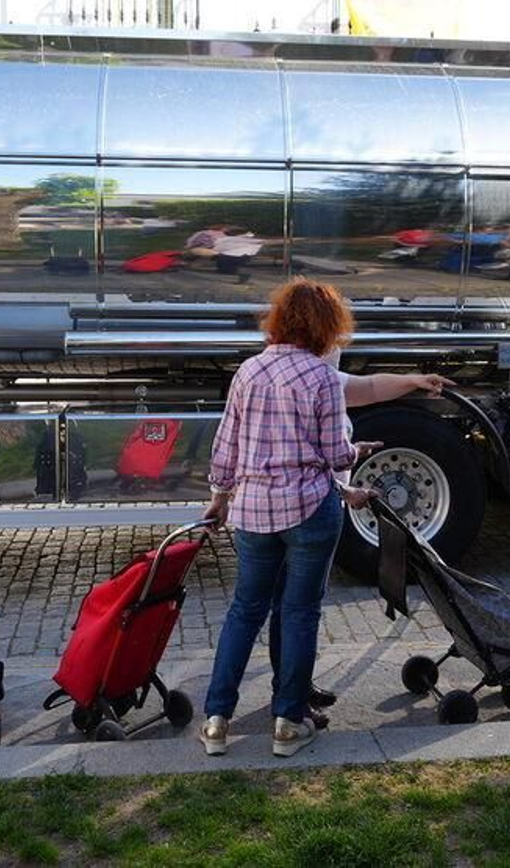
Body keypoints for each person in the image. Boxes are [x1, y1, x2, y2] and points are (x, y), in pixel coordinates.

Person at [200, 279, 363, 758]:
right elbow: (336, 456)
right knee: (298, 614)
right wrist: (357, 450)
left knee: (244, 611)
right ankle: (288, 723)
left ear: (279, 319)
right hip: (310, 510)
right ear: (328, 326)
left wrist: (219, 496)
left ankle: (216, 720)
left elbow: (226, 444)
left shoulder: (248, 371)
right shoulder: (322, 377)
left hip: (252, 511)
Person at [274, 355, 454, 727]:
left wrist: (414, 380)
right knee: (298, 609)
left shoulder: (318, 376)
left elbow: (369, 387)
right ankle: (290, 701)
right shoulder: (311, 380)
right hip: (309, 511)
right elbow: (309, 457)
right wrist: (347, 486)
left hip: (312, 508)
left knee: (294, 607)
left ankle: (292, 687)